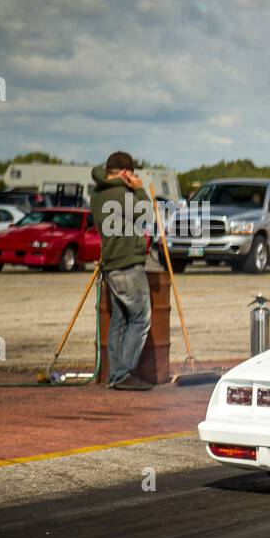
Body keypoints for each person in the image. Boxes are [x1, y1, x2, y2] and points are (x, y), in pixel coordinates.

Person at [91, 152, 154, 391]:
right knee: (140, 318)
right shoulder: (121, 194)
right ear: (126, 172)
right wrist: (139, 189)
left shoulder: (97, 193)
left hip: (111, 264)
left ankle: (115, 373)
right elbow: (146, 215)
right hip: (128, 263)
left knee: (119, 319)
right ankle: (123, 373)